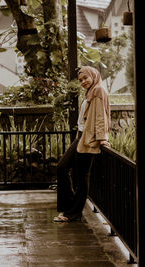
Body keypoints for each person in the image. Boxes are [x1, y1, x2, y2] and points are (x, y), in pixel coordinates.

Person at [54, 66, 111, 222]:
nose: (83, 82)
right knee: (62, 167)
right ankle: (70, 207)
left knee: (81, 176)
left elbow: (101, 117)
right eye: (80, 80)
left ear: (93, 76)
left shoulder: (98, 91)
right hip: (80, 136)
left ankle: (73, 213)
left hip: (89, 139)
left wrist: (101, 138)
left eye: (85, 78)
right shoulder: (90, 92)